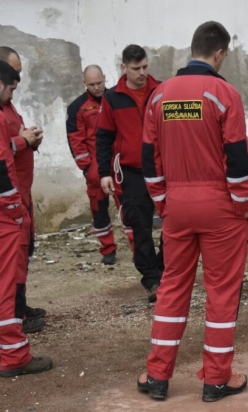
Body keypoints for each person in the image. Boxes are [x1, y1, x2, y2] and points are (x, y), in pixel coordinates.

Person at [138, 21, 248, 402]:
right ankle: (216, 380)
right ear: (219, 54)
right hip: (220, 206)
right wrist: (241, 205)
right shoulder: (224, 94)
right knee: (221, 291)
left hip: (176, 205)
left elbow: (148, 159)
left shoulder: (159, 95)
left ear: (193, 50)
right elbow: (237, 158)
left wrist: (162, 201)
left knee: (172, 287)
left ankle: (156, 376)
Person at [0, 61, 53, 377]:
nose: (11, 96)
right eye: (12, 89)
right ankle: (15, 356)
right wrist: (17, 212)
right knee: (5, 283)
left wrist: (20, 142)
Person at [96, 45, 163, 302]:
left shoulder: (161, 91)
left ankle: (164, 268)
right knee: (141, 227)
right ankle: (151, 279)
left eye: (145, 66)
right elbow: (103, 137)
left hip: (162, 169)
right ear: (123, 68)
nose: (142, 73)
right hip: (133, 173)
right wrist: (104, 173)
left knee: (175, 223)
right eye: (136, 68)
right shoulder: (113, 98)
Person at [0, 47, 46, 334]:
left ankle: (20, 308)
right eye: (14, 74)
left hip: (21, 192)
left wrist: (29, 141)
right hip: (5, 198)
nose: (18, 80)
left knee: (23, 254)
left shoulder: (5, 106)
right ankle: (16, 321)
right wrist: (22, 141)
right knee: (12, 261)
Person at [66, 65, 135, 265]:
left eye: (99, 83)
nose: (97, 87)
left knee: (128, 207)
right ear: (84, 83)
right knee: (99, 210)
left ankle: (136, 247)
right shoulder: (77, 108)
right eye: (92, 84)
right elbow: (75, 141)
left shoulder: (115, 99)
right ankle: (108, 249)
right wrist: (87, 168)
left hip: (119, 164)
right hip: (96, 169)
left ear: (105, 78)